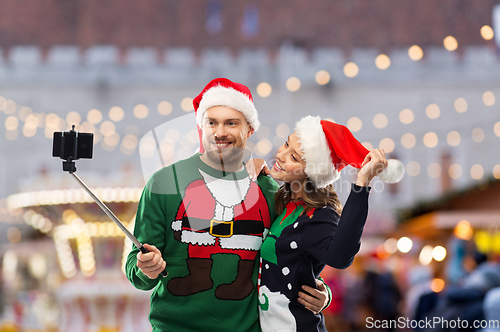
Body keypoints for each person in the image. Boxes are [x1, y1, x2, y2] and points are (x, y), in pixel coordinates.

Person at [125, 78, 329, 332]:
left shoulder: (271, 192)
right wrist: (146, 268)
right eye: (212, 123)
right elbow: (136, 268)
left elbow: (296, 259)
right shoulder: (163, 184)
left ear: (249, 129)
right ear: (202, 127)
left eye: (231, 123)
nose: (220, 132)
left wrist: (322, 293)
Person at [247, 115, 404, 331]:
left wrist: (363, 182)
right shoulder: (283, 204)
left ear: (310, 172)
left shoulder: (318, 215)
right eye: (285, 144)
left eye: (293, 156)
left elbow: (340, 257)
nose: (280, 155)